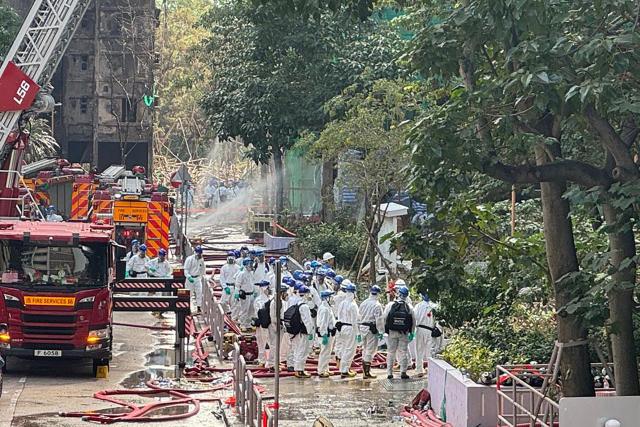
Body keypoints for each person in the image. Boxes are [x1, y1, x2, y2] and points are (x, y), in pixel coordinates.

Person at [383, 285, 415, 380]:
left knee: (391, 352)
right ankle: (403, 372)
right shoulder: (409, 307)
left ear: (398, 294)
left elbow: (384, 318)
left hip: (392, 332)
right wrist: (412, 332)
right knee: (403, 352)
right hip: (404, 333)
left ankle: (389, 373)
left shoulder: (390, 305)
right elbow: (413, 321)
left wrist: (385, 330)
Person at [284, 285, 315, 379]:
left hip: (297, 333)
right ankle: (299, 370)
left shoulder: (298, 304)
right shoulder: (304, 306)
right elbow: (307, 321)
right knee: (302, 351)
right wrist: (310, 332)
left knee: (297, 350)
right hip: (302, 333)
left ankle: (298, 369)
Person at [359, 285, 383, 379]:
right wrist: (381, 331)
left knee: (364, 349)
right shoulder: (377, 305)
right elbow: (379, 320)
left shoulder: (364, 303)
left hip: (362, 327)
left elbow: (359, 315)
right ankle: (367, 372)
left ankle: (364, 371)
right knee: (370, 350)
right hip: (371, 329)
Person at [336, 282, 359, 378]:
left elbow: (339, 315)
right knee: (349, 350)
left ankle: (343, 368)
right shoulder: (353, 305)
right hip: (350, 328)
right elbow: (355, 320)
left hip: (342, 327)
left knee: (344, 348)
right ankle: (345, 370)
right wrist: (358, 332)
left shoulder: (342, 303)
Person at [266, 282, 289, 371]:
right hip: (274, 327)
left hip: (278, 326)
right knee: (274, 345)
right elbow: (273, 316)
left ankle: (275, 362)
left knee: (277, 345)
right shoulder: (274, 302)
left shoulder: (279, 301)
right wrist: (277, 327)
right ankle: (272, 365)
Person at [414, 293, 437, 378]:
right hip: (430, 330)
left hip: (419, 329)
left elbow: (414, 318)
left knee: (419, 350)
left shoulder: (418, 306)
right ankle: (430, 369)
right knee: (429, 351)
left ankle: (419, 369)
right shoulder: (434, 306)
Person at [316, 290, 336, 378]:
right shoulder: (324, 309)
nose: (332, 299)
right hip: (326, 333)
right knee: (324, 352)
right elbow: (323, 323)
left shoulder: (327, 307)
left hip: (328, 333)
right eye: (330, 297)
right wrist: (324, 334)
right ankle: (321, 370)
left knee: (327, 352)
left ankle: (325, 369)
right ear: (326, 298)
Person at [253, 280, 271, 367]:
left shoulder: (269, 299)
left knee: (267, 342)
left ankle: (267, 360)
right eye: (267, 288)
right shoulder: (259, 300)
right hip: (261, 324)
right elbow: (260, 312)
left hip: (267, 324)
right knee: (261, 342)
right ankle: (262, 359)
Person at [184, 245, 206, 314]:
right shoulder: (189, 259)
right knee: (189, 294)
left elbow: (203, 269)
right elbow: (186, 270)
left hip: (197, 278)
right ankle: (188, 308)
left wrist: (200, 277)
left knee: (199, 293)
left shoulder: (201, 260)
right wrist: (189, 277)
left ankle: (198, 307)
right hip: (190, 279)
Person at [236, 257, 255, 331]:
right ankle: (242, 323)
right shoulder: (241, 274)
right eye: (249, 264)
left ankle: (248, 324)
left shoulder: (251, 273)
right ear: (245, 265)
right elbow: (237, 284)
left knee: (251, 310)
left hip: (251, 294)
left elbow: (252, 283)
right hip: (245, 295)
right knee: (244, 310)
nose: (251, 265)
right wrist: (237, 293)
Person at [219, 251, 240, 316]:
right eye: (229, 257)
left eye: (232, 257)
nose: (231, 258)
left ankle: (232, 318)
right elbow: (222, 278)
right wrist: (225, 287)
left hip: (234, 287)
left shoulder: (237, 268)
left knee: (234, 303)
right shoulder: (224, 267)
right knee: (223, 302)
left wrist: (237, 289)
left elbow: (239, 279)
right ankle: (226, 314)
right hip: (227, 287)